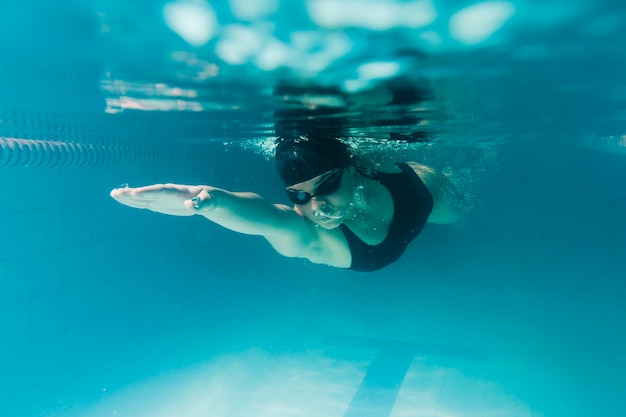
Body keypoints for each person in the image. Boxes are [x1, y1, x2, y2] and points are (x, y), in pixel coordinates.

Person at [110, 136, 461, 272]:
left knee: (458, 216)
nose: (317, 207)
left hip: (425, 198)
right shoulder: (317, 238)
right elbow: (269, 219)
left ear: (352, 169)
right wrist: (215, 202)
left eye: (326, 185)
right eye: (300, 196)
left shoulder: (398, 175)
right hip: (408, 208)